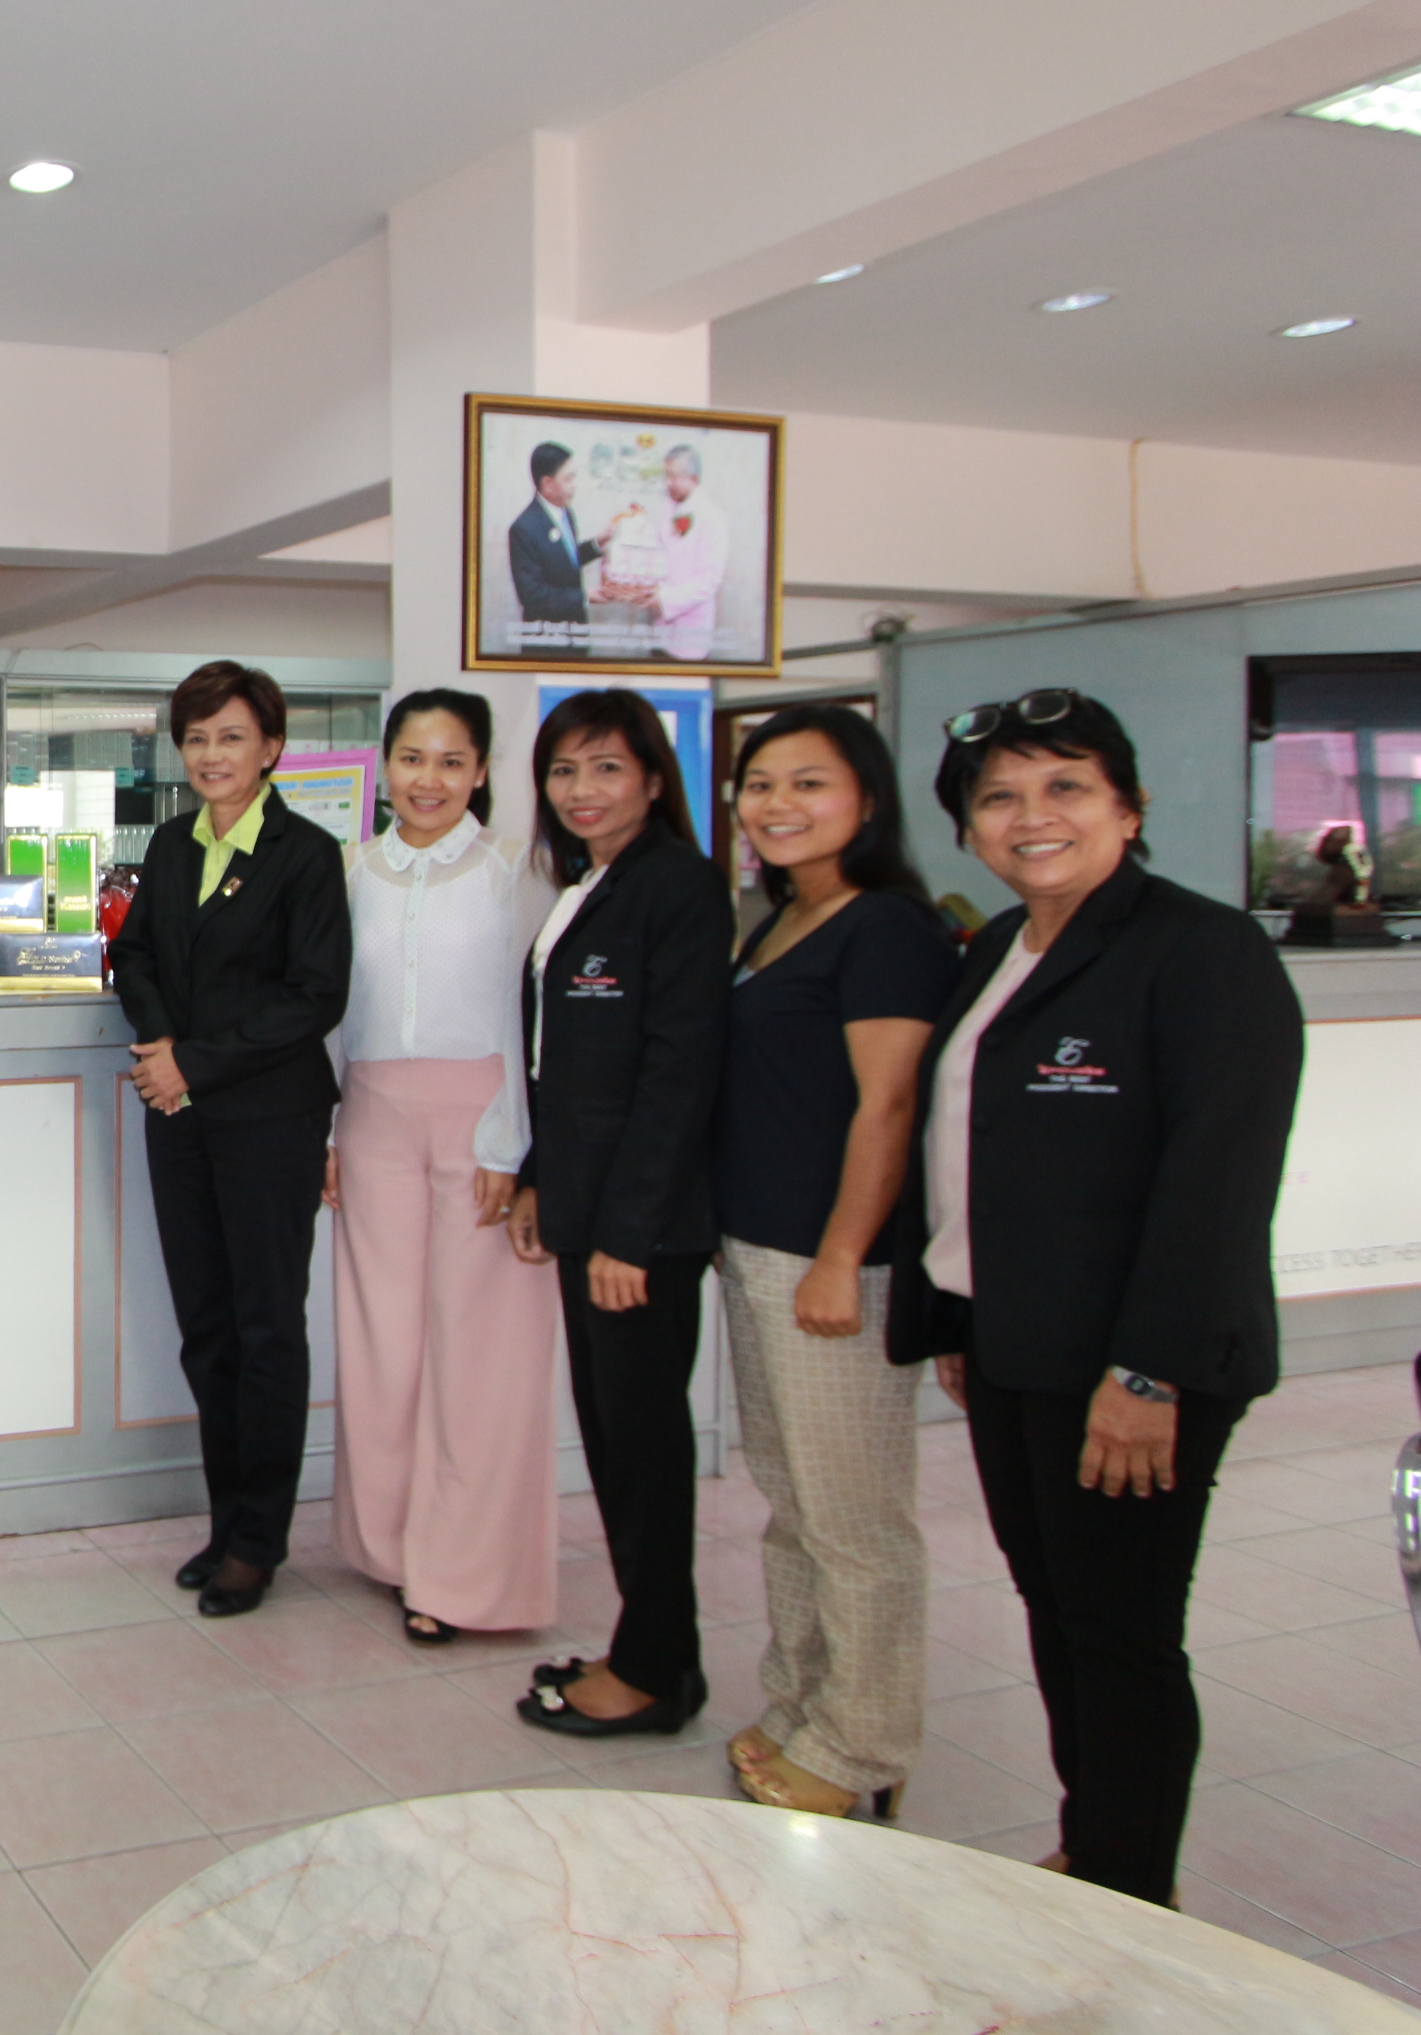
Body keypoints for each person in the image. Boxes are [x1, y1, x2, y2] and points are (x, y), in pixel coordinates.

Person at [888, 689, 1300, 1905]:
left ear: (1130, 806)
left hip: (1133, 1364)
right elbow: (971, 1148)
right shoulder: (996, 951)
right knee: (1056, 1609)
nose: (1033, 816)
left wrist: (1147, 1371)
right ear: (967, 830)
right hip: (1015, 1341)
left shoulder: (1203, 953)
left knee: (1120, 1634)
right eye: (999, 797)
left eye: (1065, 786)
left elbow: (1217, 1181)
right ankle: (1096, 1846)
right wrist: (960, 1313)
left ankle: (1129, 1896)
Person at [714, 706, 957, 1820]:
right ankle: (803, 1699)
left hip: (833, 1264)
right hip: (761, 1248)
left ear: (866, 798)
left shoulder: (889, 929)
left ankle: (863, 1745)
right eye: (761, 785)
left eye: (808, 783)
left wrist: (842, 1255)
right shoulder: (781, 920)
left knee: (855, 1518)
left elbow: (888, 1106)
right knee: (793, 1501)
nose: (778, 805)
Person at [510, 688, 729, 1738]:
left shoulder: (678, 887)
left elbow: (677, 1074)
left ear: (651, 777)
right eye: (564, 770)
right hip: (588, 1210)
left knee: (642, 1450)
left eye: (606, 767)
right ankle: (649, 1647)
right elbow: (566, 1064)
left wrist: (628, 1235)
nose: (582, 790)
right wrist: (539, 1179)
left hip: (638, 1233)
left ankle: (654, 1673)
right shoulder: (591, 885)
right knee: (612, 1439)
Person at [112, 660, 351, 1618]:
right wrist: (163, 1047)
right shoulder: (173, 844)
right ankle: (224, 1524)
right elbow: (134, 953)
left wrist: (194, 1064)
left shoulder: (307, 854)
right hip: (180, 1118)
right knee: (207, 1328)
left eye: (232, 737)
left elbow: (313, 997)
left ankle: (260, 1541)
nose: (212, 755)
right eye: (198, 738)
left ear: (272, 748)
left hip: (269, 1122)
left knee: (265, 1329)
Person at [326, 689, 557, 1646]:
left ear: (482, 771)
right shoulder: (350, 870)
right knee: (381, 1341)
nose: (430, 780)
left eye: (453, 761)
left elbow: (530, 1018)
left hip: (485, 1122)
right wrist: (330, 1129)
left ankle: (464, 1575)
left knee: (483, 1355)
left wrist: (511, 1142)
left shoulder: (518, 870)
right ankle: (389, 1548)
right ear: (386, 767)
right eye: (413, 759)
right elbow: (332, 1009)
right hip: (372, 1117)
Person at [505, 441, 600, 650]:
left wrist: (598, 544)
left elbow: (566, 560)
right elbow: (532, 595)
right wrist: (585, 596)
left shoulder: (566, 512)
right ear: (547, 484)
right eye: (568, 478)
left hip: (576, 635)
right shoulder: (524, 529)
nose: (574, 484)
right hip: (546, 643)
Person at [653, 446, 728, 663]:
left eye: (674, 477)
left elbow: (709, 580)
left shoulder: (712, 517)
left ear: (694, 478)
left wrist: (665, 600)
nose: (668, 483)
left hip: (690, 633)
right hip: (660, 630)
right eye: (666, 476)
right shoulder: (668, 508)